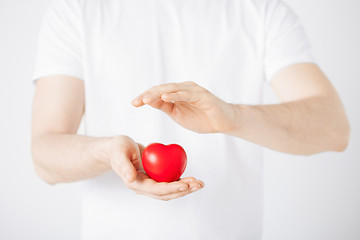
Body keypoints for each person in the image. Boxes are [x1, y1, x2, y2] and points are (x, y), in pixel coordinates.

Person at [31, 0, 350, 239]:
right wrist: (110, 153)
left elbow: (334, 128)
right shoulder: (75, 10)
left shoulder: (261, 9)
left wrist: (232, 117)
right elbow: (44, 158)